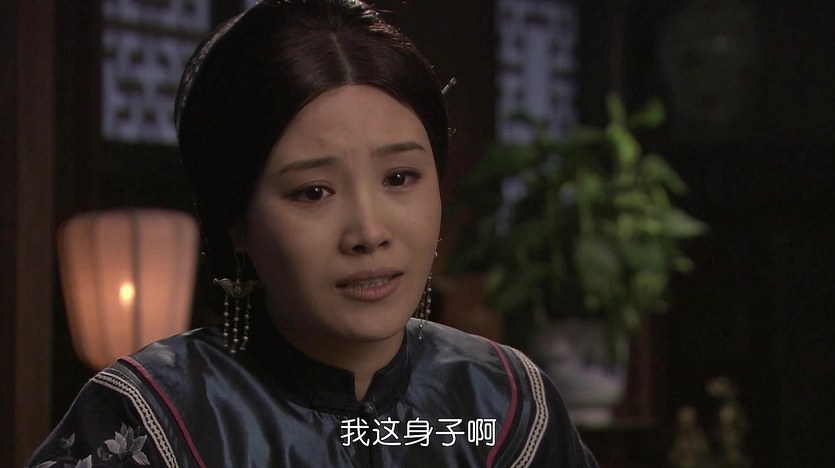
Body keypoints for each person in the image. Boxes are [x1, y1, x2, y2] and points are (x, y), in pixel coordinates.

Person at [28, 1, 599, 466]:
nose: (369, 232)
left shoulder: (503, 407)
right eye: (313, 192)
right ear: (237, 221)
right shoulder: (155, 419)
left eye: (400, 178)